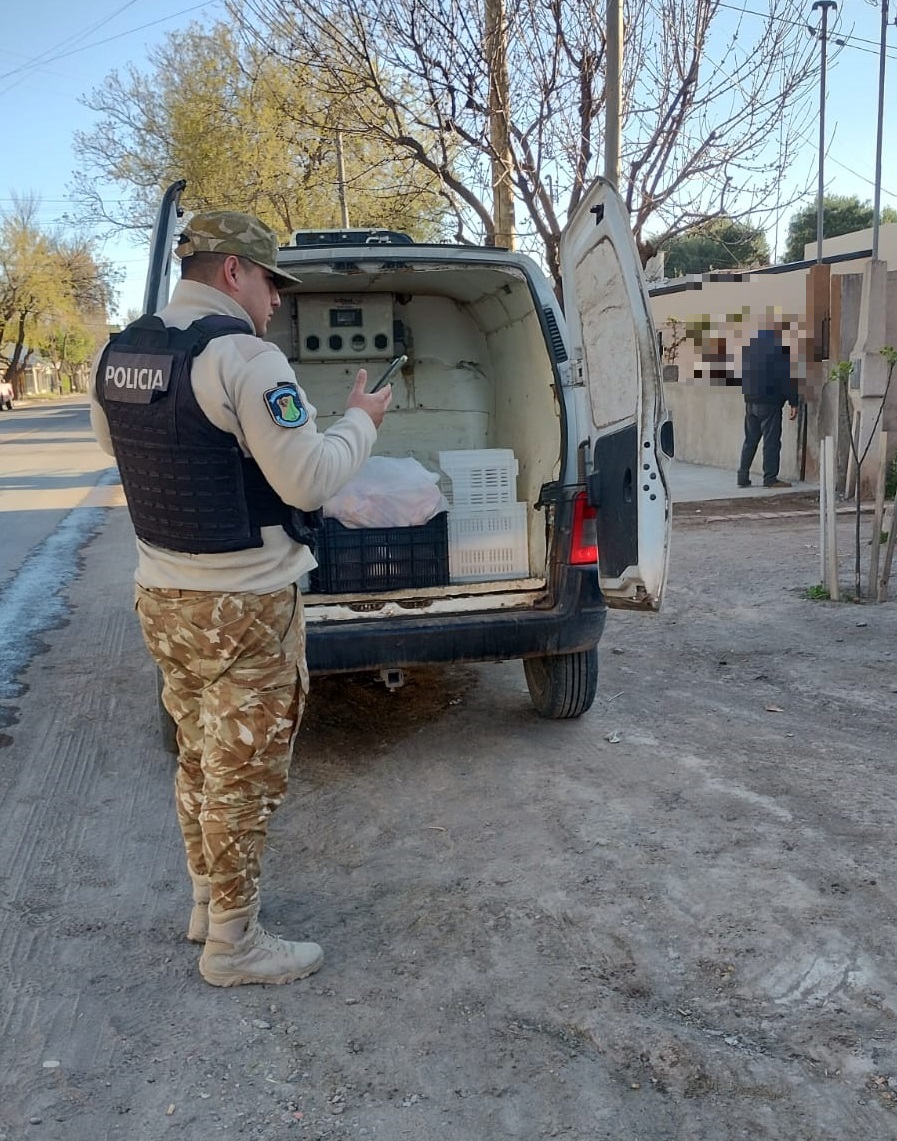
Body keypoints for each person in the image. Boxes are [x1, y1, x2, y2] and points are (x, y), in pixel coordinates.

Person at [90, 210, 392, 986]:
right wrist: (360, 422)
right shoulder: (246, 359)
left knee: (197, 756)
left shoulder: (121, 351)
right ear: (234, 273)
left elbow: (114, 444)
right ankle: (235, 944)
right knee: (244, 776)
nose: (277, 302)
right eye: (269, 283)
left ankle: (206, 905)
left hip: (163, 595)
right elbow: (309, 479)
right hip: (247, 604)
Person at [737, 317, 799, 488]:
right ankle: (770, 478)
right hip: (769, 402)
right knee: (771, 442)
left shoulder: (750, 349)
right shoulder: (779, 350)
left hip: (750, 401)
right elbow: (786, 377)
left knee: (750, 440)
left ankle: (742, 476)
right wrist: (794, 401)